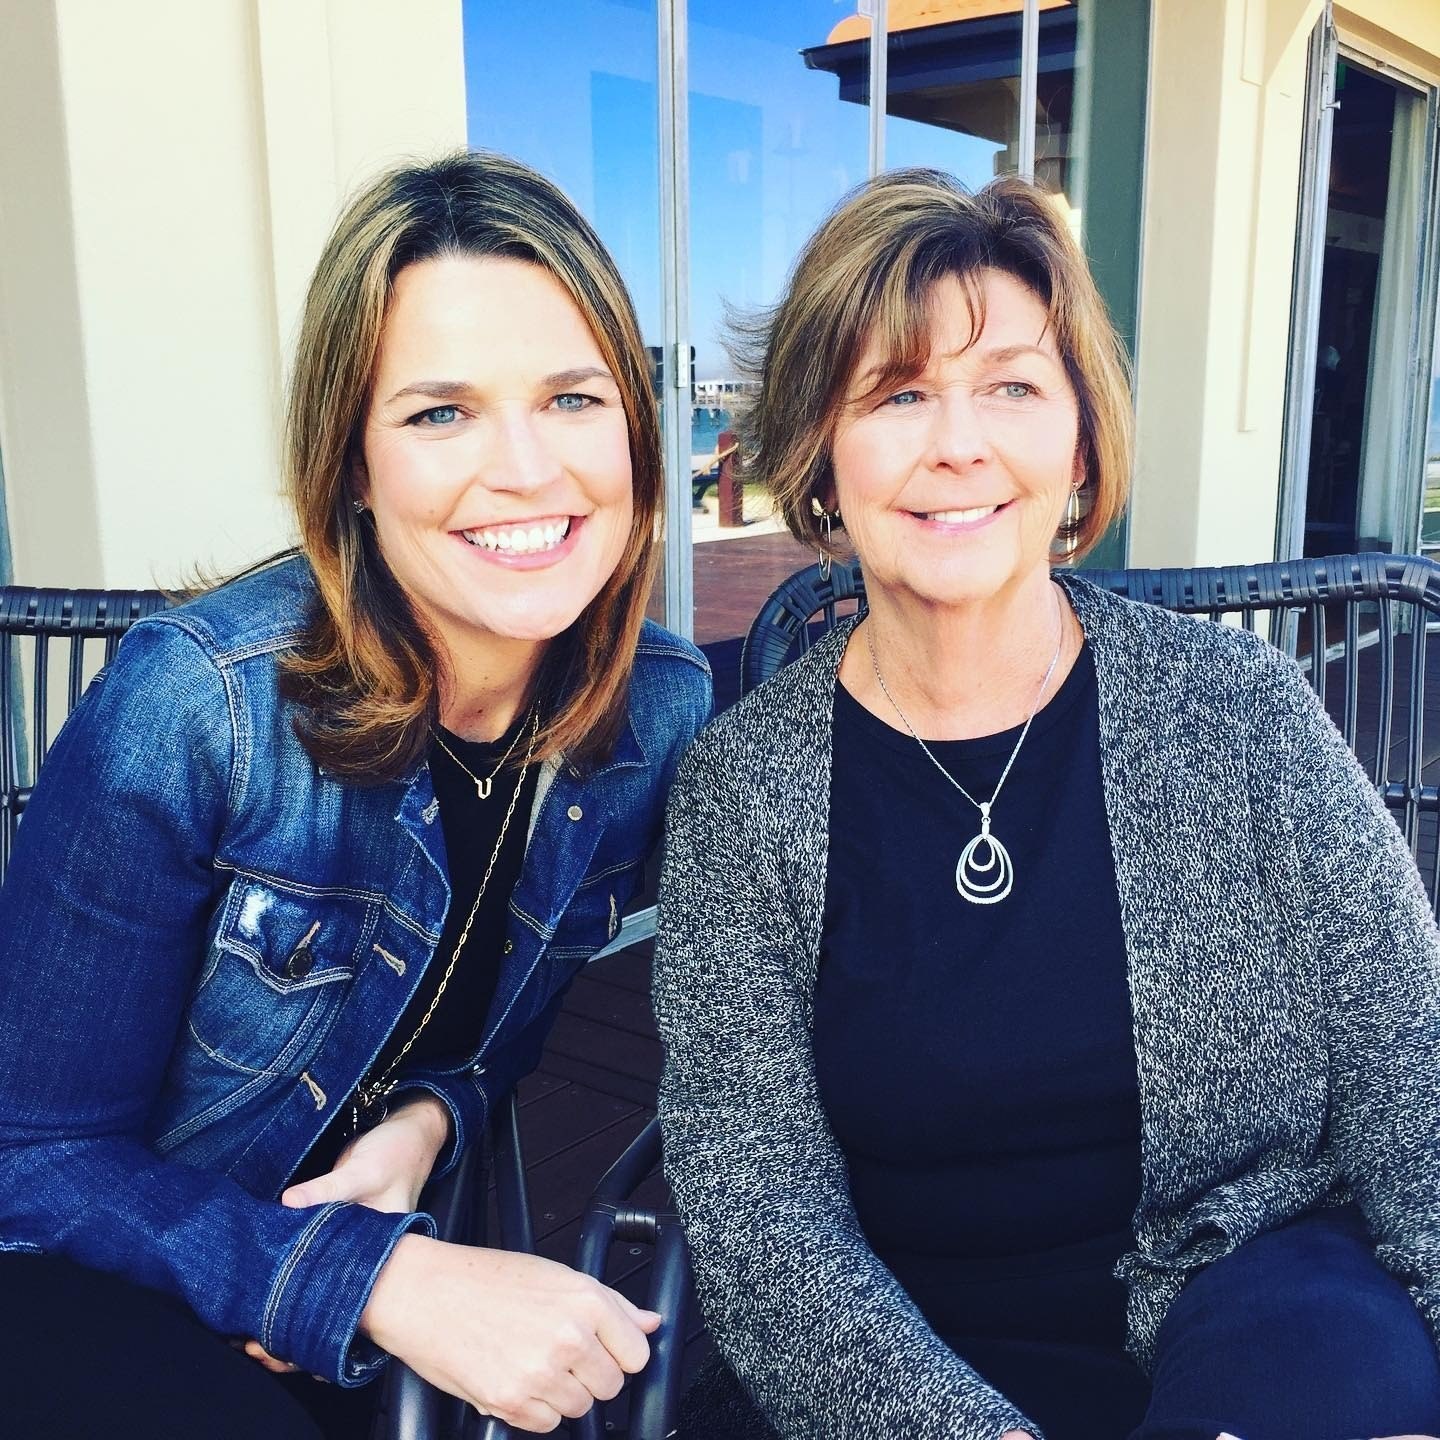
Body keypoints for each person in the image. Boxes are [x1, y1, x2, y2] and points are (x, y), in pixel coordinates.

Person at [652, 169, 1440, 1440]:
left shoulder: (1240, 712)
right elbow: (759, 1209)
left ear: (1078, 444)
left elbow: (1412, 1070)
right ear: (819, 454)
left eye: (1012, 387)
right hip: (891, 1349)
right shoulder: (743, 794)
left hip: (1251, 1288)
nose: (959, 443)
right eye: (898, 394)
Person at [0, 150, 710, 1439]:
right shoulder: (200, 710)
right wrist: (368, 1280)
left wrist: (432, 1121)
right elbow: (29, 1160)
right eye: (440, 414)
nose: (526, 470)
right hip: (109, 1295)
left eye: (572, 397)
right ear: (353, 466)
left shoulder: (654, 707)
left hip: (373, 1307)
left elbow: (511, 1018)